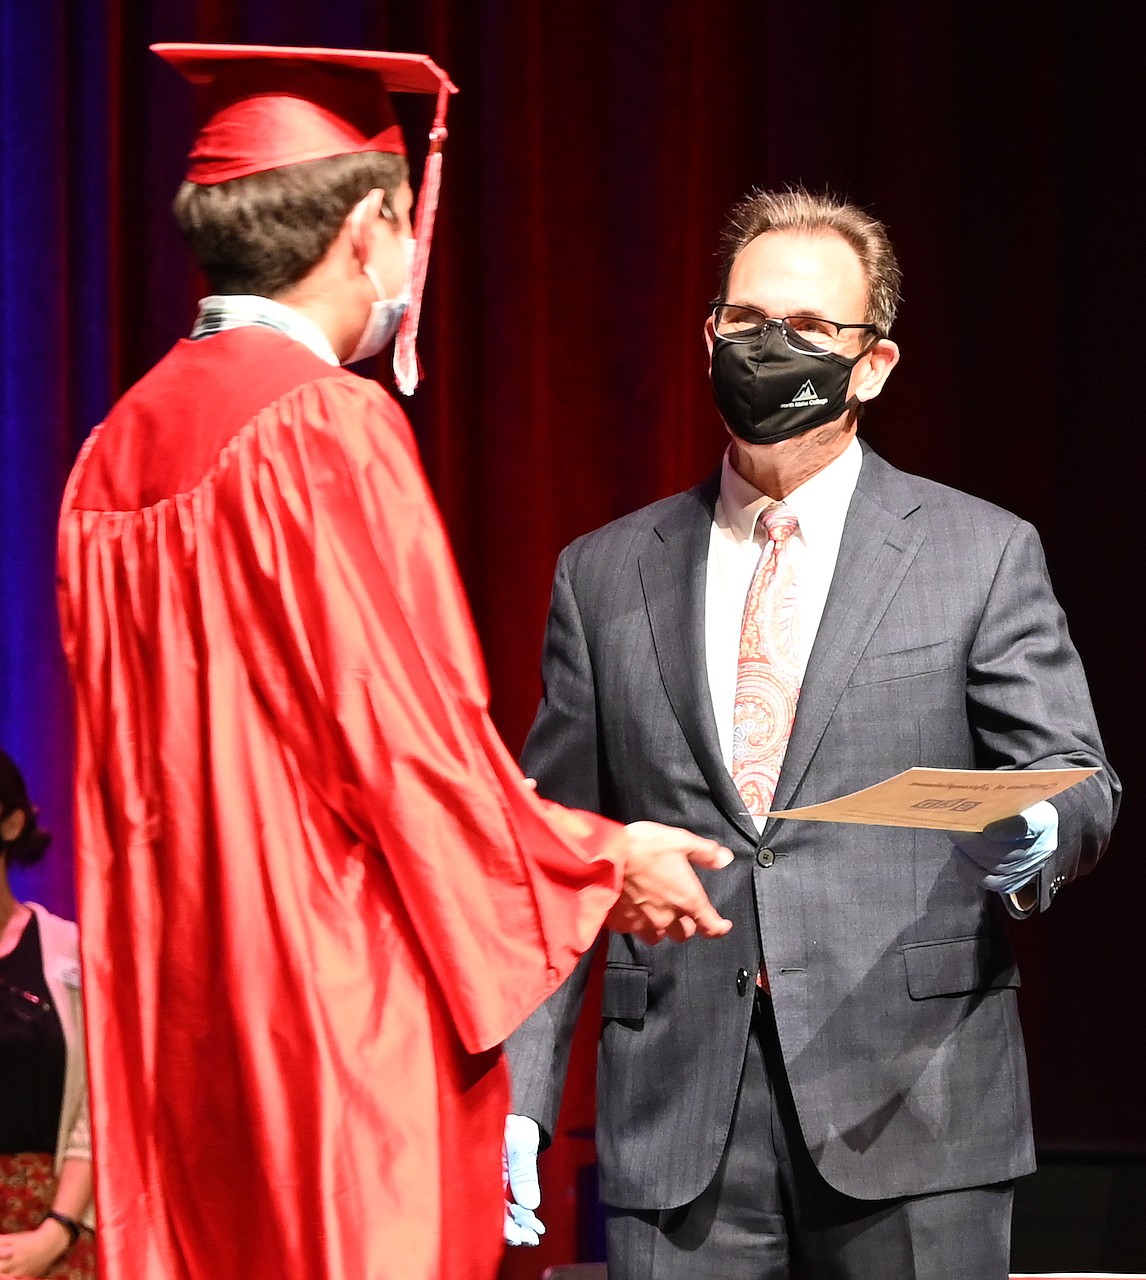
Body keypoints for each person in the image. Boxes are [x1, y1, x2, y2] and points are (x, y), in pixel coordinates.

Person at [55, 43, 734, 1280]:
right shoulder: (324, 422)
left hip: (179, 1018)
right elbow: (403, 742)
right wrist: (595, 856)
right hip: (330, 1012)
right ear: (371, 227)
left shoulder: (107, 455)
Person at [502, 188, 1120, 1279]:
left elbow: (1073, 772)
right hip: (678, 1116)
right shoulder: (604, 574)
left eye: (807, 331)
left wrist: (1030, 825)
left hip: (916, 1103)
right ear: (707, 335)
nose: (767, 348)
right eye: (745, 322)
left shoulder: (976, 551)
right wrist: (522, 1095)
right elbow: (551, 846)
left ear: (872, 364)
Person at [0, 748, 94, 1280]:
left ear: (11, 822)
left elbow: (97, 1106)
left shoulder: (67, 952)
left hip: (47, 1230)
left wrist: (58, 1228)